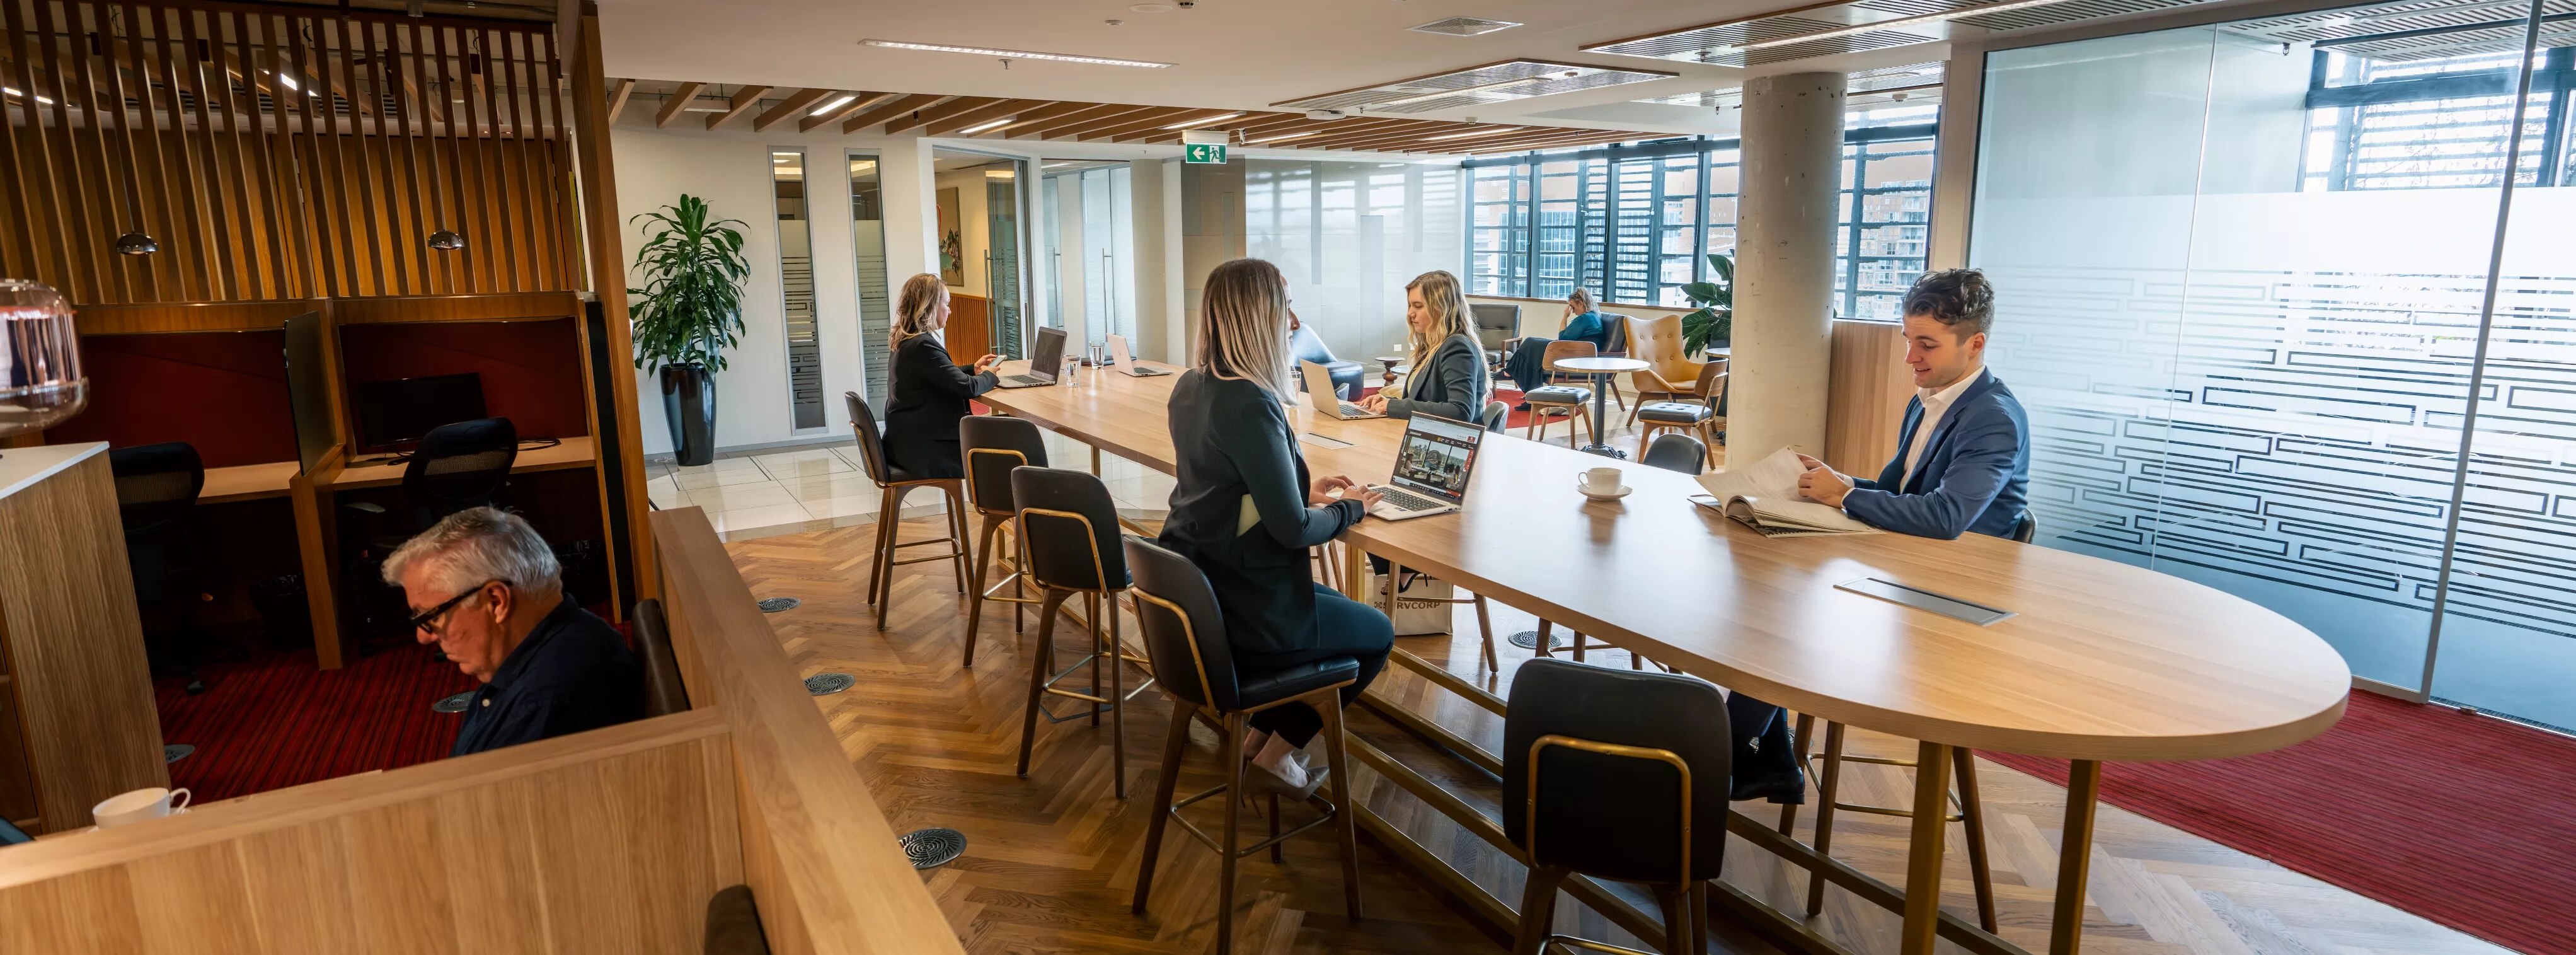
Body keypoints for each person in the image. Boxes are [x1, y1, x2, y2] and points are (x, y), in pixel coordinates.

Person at [1723, 269, 2033, 804]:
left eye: (1927, 345)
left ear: (1975, 343)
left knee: (1790, 624)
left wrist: (1843, 497)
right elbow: (1897, 489)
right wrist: (1837, 482)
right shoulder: (1928, 399)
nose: (1911, 358)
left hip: (1954, 603)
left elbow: (1946, 516)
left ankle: (1726, 759)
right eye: (1909, 341)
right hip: (1904, 567)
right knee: (1778, 610)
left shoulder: (1995, 418)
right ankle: (1758, 760)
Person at [1159, 257, 1394, 799]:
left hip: (1205, 590)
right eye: (1283, 305)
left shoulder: (1190, 387)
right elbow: (1291, 531)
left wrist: (1297, 490)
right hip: (1246, 610)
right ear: (1257, 315)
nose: (1292, 320)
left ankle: (1261, 739)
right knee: (1376, 635)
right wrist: (1350, 509)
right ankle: (1278, 753)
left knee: (1331, 612)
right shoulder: (1251, 401)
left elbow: (1221, 489)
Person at [382, 506, 643, 758]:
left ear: (496, 601)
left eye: (432, 616)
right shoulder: (579, 631)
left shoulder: (543, 705)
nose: (423, 636)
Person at [882, 273, 1002, 480]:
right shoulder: (922, 346)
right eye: (946, 304)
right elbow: (968, 388)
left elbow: (937, 375)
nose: (950, 310)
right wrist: (990, 375)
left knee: (999, 435)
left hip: (907, 443)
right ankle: (999, 509)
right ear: (929, 306)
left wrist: (973, 369)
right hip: (925, 452)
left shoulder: (907, 340)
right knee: (1009, 443)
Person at [1358, 270, 1488, 421]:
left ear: (1441, 309)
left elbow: (1460, 411)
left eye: (1418, 306)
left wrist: (1394, 407)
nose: (1410, 313)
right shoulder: (1433, 346)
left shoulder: (1456, 346)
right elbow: (1426, 401)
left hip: (1449, 440)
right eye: (1410, 306)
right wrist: (1388, 403)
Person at [1501, 287, 1613, 395]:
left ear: (1581, 304)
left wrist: (1565, 316)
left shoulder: (1585, 318)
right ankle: (1515, 376)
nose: (1572, 311)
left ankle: (1511, 372)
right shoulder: (1594, 316)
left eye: (1573, 307)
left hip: (1577, 354)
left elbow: (1562, 337)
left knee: (1530, 342)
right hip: (1580, 351)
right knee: (1533, 346)